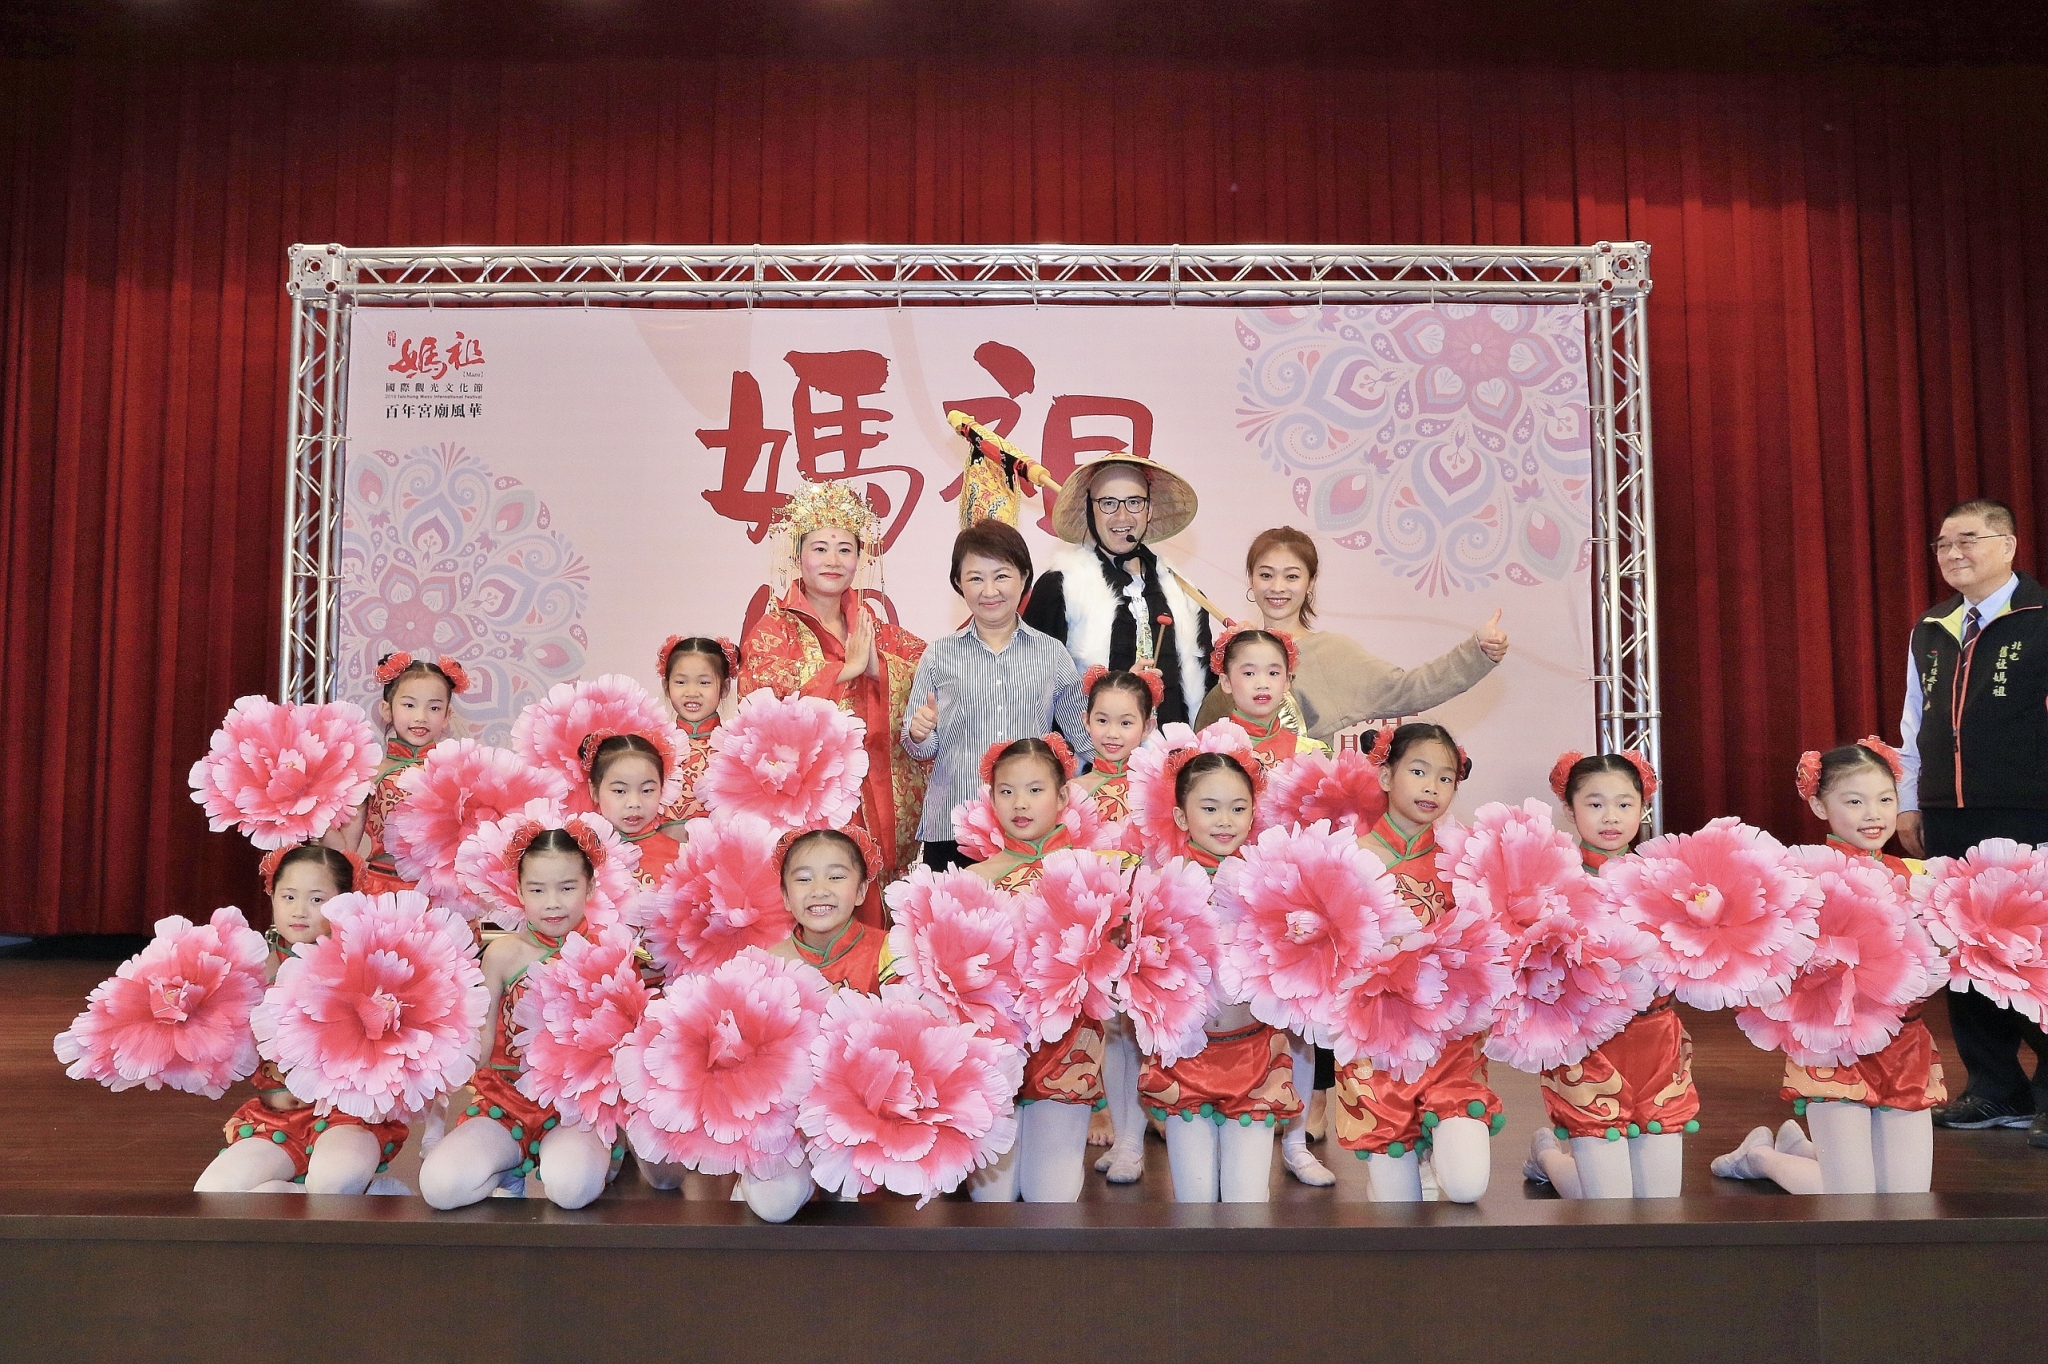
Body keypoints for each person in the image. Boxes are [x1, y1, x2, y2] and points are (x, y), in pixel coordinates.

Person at [1712, 741, 1941, 1195]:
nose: (1873, 814)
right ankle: (1760, 1157)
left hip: (1905, 1045)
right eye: (1853, 802)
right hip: (1832, 1044)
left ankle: (1794, 1147)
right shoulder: (1800, 878)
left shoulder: (1919, 876)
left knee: (1907, 1200)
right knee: (1851, 1198)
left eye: (1885, 799)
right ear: (1819, 806)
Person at [1893, 498, 2048, 1146]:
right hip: (1947, 813)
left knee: (2034, 957)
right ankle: (1994, 1087)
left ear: (2008, 545)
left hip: (2029, 808)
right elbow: (1914, 721)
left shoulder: (2040, 618)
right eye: (1943, 544)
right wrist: (1908, 799)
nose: (1954, 553)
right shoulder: (1932, 626)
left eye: (1969, 540)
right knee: (1964, 954)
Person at [738, 479, 929, 916]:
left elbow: (933, 671)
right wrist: (844, 671)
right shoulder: (775, 630)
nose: (832, 560)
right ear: (798, 555)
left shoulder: (876, 630)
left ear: (860, 559)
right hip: (808, 798)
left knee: (869, 903)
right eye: (820, 548)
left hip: (871, 794)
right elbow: (760, 699)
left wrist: (878, 667)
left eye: (845, 549)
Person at [1335, 722, 1502, 1203]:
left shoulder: (1465, 860)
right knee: (1399, 1209)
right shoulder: (1346, 857)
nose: (1432, 787)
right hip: (1378, 1045)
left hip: (1450, 1042)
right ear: (1386, 776)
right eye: (1419, 771)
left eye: (1445, 778)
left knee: (1466, 1186)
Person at [1524, 751, 1699, 1199]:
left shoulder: (1667, 877)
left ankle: (1549, 1159)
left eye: (1624, 804)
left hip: (1657, 1043)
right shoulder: (1551, 883)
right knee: (1609, 1205)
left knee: (1659, 1205)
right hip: (1587, 1047)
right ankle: (1549, 1157)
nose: (1611, 817)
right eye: (1595, 803)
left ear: (1643, 808)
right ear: (1569, 809)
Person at [420, 823, 622, 1211]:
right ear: (518, 891)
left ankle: (597, 1159)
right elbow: (481, 1046)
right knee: (439, 1187)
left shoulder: (611, 953)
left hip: (576, 1109)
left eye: (567, 888)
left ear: (591, 888)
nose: (552, 903)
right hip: (507, 1101)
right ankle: (507, 1172)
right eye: (537, 890)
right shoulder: (502, 954)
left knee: (571, 1189)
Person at [194, 844, 408, 1194]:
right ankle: (332, 1200)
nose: (299, 910)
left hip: (345, 1116)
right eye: (289, 897)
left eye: (317, 899)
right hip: (277, 1120)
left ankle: (354, 1194)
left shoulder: (364, 960)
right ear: (271, 896)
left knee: (332, 1184)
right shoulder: (248, 964)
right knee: (215, 1192)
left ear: (345, 901)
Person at [1137, 750, 1298, 1202]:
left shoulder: (1272, 881)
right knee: (1195, 1204)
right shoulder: (1158, 884)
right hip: (1186, 1061)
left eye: (1238, 808)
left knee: (1248, 1204)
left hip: (1254, 1057)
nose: (1225, 820)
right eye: (1209, 808)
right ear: (1180, 816)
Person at [966, 737, 1118, 1203]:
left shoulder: (1095, 872)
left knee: (1050, 1198)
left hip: (1067, 1047)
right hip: (995, 1049)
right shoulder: (971, 880)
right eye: (1007, 791)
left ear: (1063, 796)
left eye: (1035, 790)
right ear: (991, 799)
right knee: (991, 1203)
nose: (1020, 803)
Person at [1193, 527, 1508, 746]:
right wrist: (1241, 656)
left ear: (1311, 582)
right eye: (1266, 575)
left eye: (1292, 576)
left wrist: (1476, 652)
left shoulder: (1333, 652)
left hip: (1303, 808)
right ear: (1251, 580)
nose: (1277, 587)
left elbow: (1410, 688)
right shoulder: (1236, 651)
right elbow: (1206, 732)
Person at [901, 520, 1091, 872]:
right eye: (975, 578)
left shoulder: (1051, 653)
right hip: (954, 824)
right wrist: (919, 731)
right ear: (958, 583)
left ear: (1024, 577)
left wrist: (1127, 706)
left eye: (1001, 576)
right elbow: (919, 749)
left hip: (1030, 827)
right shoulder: (939, 655)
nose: (989, 590)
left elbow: (1083, 736)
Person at [1020, 452, 1214, 727]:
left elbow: (1210, 688)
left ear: (1149, 510)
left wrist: (1240, 652)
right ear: (1091, 511)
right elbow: (1033, 687)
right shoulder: (1061, 587)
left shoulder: (1185, 595)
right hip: (1090, 751)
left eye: (1134, 502)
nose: (1122, 516)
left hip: (1176, 749)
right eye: (1108, 503)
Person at [325, 652, 469, 893]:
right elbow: (346, 848)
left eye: (434, 707)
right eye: (409, 705)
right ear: (386, 709)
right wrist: (316, 816)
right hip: (380, 890)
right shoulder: (369, 774)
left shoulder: (457, 773)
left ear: (447, 716)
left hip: (440, 893)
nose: (421, 717)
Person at [765, 827, 898, 994]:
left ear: (860, 891)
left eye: (835, 877)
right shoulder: (771, 964)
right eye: (804, 879)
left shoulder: (890, 954)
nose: (819, 891)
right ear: (786, 897)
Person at [654, 635, 738, 832]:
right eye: (681, 682)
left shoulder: (736, 747)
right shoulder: (652, 745)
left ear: (725, 688)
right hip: (660, 847)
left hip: (720, 846)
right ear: (666, 687)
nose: (691, 692)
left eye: (704, 682)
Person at [585, 733, 682, 886]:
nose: (634, 803)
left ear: (661, 789)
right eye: (619, 791)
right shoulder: (578, 854)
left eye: (647, 790)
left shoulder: (682, 858)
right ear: (594, 791)